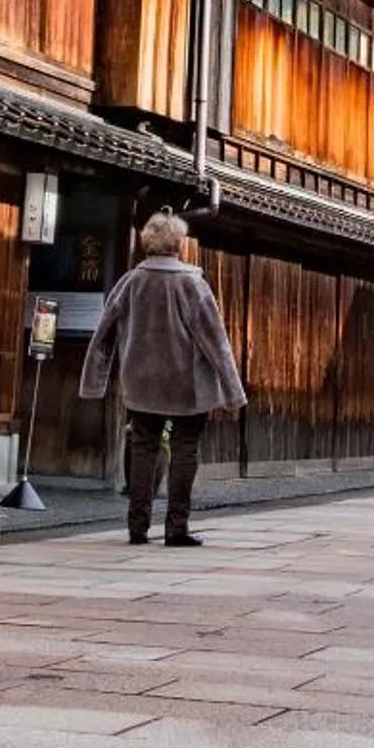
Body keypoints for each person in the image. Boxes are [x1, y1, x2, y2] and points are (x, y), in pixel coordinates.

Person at [77, 211, 247, 546]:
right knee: (185, 447)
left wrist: (93, 382)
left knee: (143, 446)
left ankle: (137, 525)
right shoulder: (192, 284)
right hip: (186, 385)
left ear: (146, 244)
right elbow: (216, 341)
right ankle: (176, 527)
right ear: (178, 244)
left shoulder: (129, 282)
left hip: (140, 382)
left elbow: (103, 335)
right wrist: (233, 392)